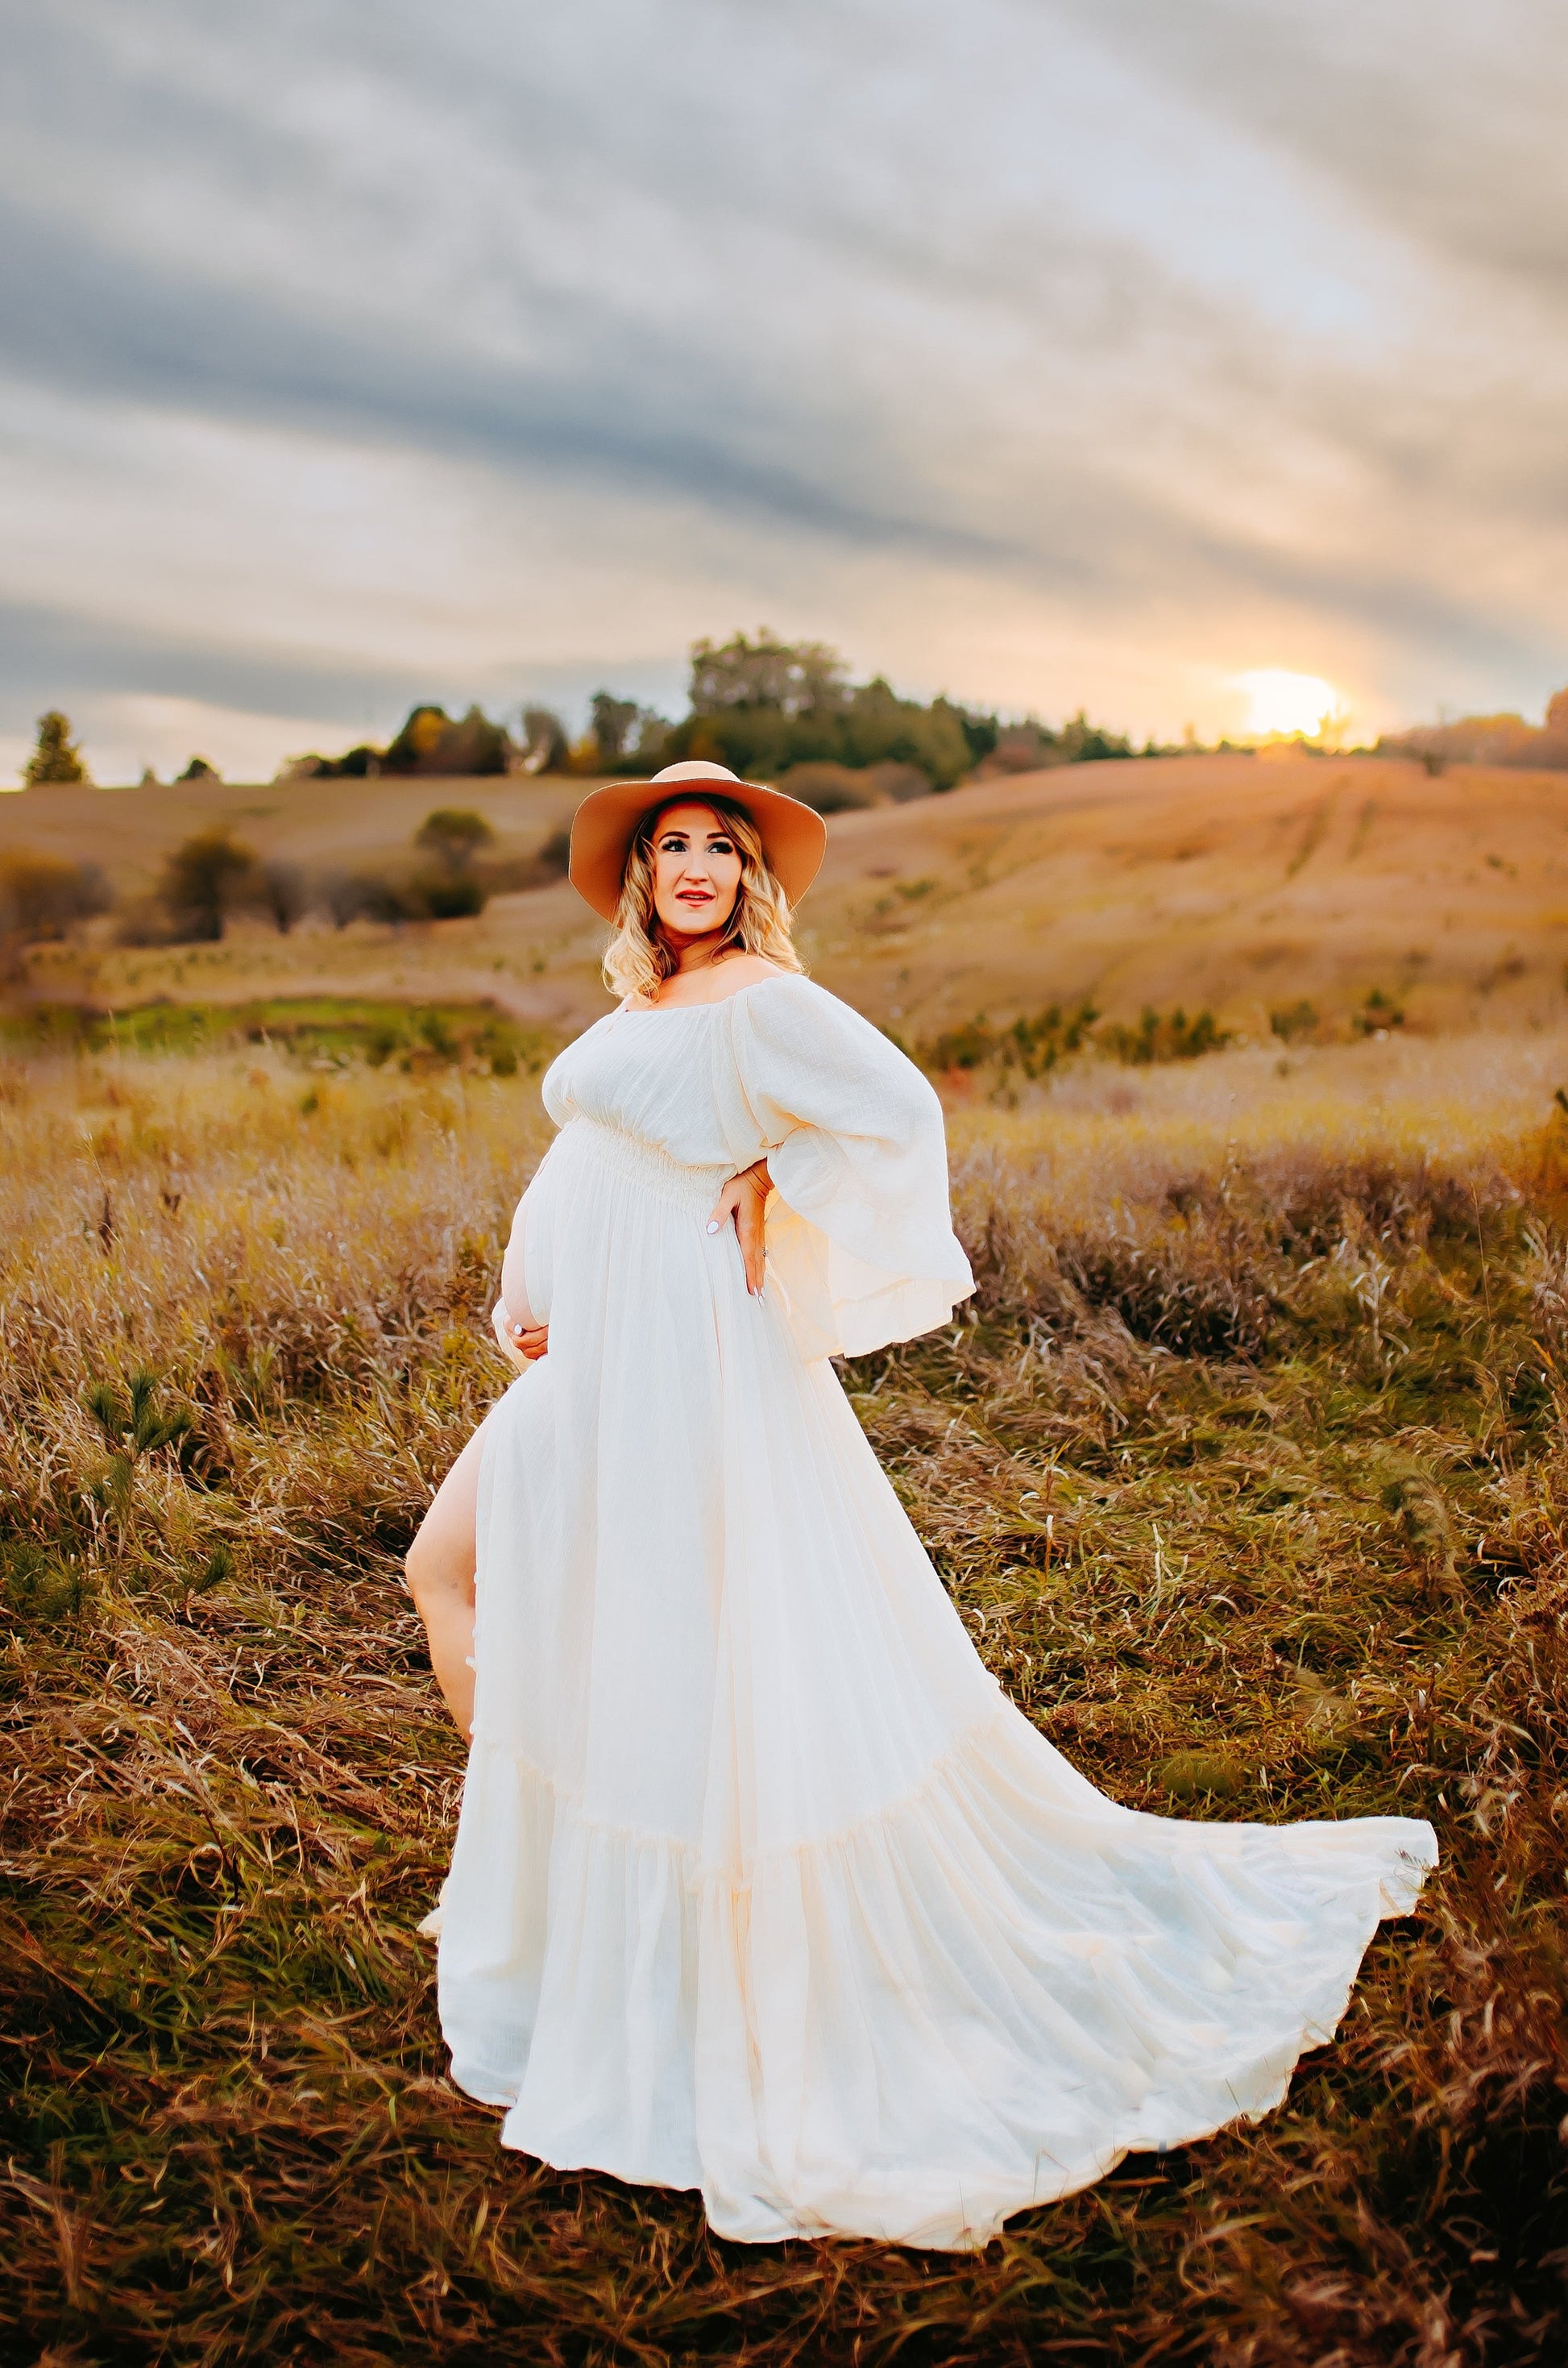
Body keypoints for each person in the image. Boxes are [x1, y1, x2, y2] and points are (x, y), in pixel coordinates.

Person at [405, 758, 1436, 2250]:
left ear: (746, 876)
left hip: (688, 1351)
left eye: (718, 846)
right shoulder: (643, 1002)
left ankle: (649, 1939)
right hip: (600, 1352)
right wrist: (536, 1287)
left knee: (640, 1623)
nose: (693, 863)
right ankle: (563, 1916)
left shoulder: (764, 994)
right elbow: (591, 1152)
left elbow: (894, 1109)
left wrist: (781, 1172)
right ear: (638, 877)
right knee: (480, 1579)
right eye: (670, 844)